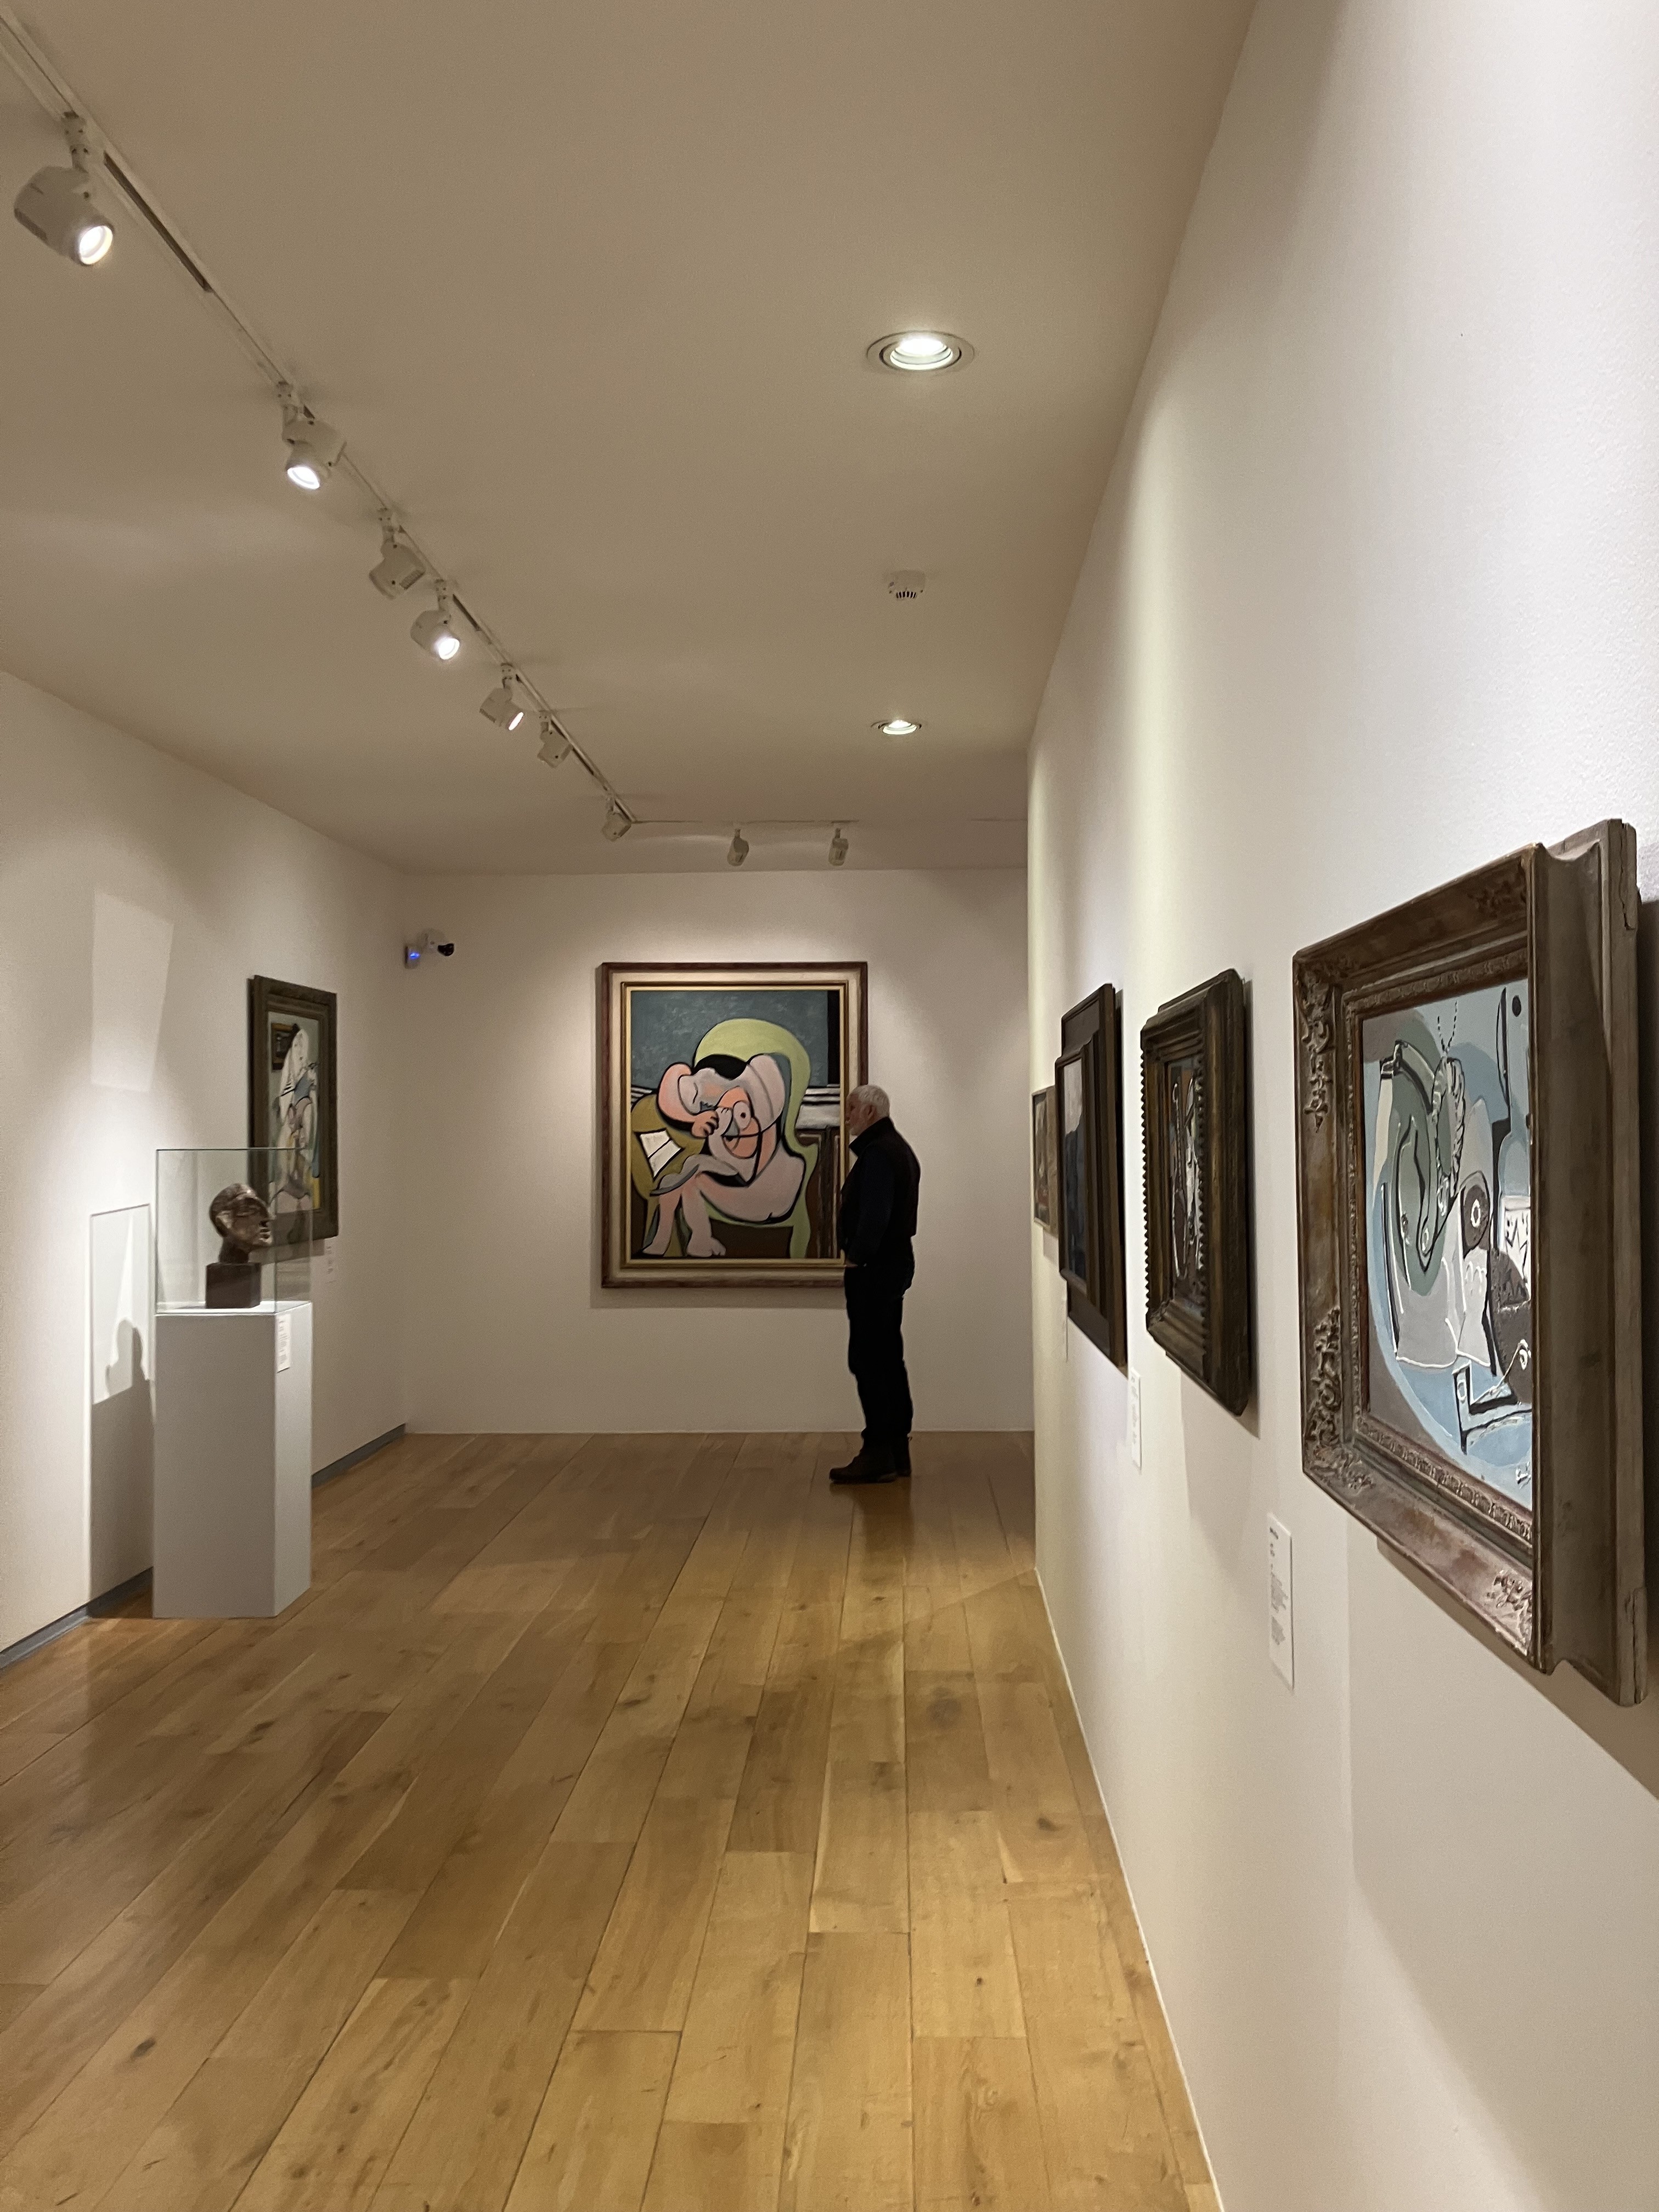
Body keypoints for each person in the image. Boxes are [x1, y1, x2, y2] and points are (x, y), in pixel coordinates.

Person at [831, 1083, 921, 1484]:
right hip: (891, 1265)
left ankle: (878, 1452)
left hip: (875, 1269)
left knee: (868, 1359)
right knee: (887, 1356)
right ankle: (897, 1451)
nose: (847, 1114)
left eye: (852, 1108)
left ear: (870, 1112)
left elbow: (875, 1215)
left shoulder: (880, 1154)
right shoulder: (895, 1148)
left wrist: (857, 1257)